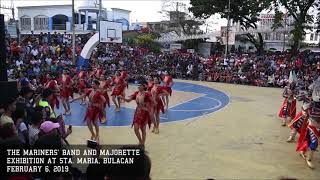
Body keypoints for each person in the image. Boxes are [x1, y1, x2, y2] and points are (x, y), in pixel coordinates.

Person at [296, 82, 320, 169]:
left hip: (317, 126)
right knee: (314, 143)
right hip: (312, 126)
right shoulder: (311, 104)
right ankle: (309, 159)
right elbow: (310, 113)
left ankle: (303, 150)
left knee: (310, 141)